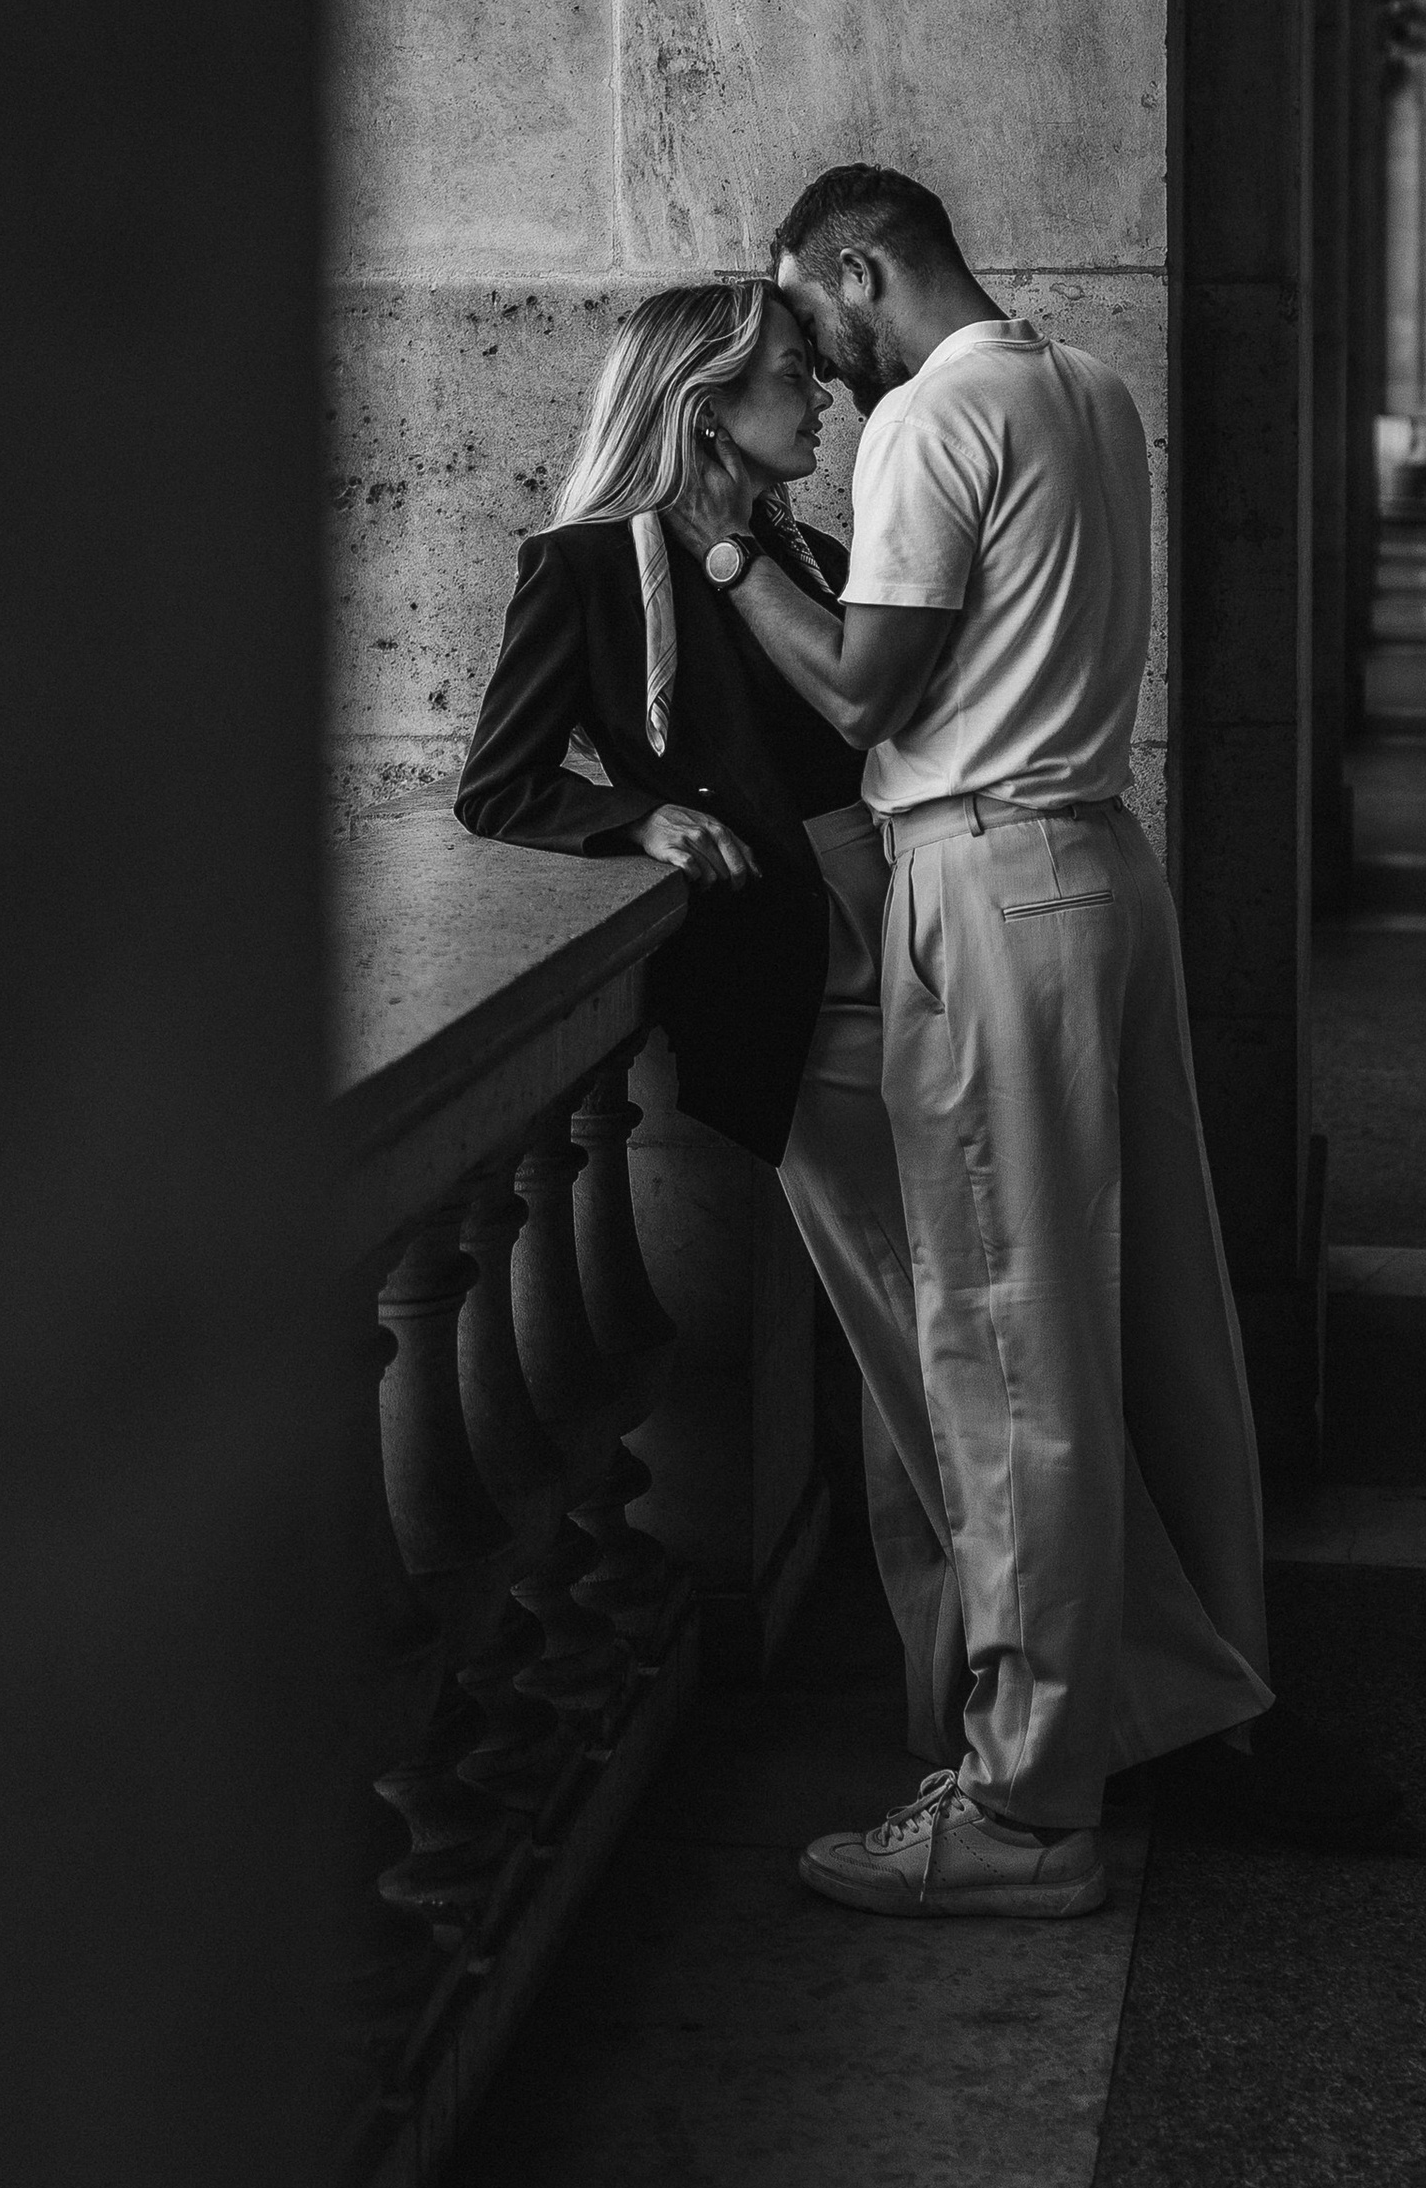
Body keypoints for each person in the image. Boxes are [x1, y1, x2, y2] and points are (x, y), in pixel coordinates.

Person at [669, 165, 1276, 1920]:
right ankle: (1184, 1693)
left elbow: (866, 693)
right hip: (1101, 865)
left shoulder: (933, 418)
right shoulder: (1089, 387)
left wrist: (713, 545)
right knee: (1151, 1327)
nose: (810, 353)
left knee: (1006, 1355)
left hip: (989, 880)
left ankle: (1025, 1808)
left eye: (813, 307)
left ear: (865, 264)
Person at [449, 279, 955, 1731]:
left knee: (943, 1337)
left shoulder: (809, 547)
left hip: (918, 940)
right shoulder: (589, 566)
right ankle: (989, 1707)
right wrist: (641, 821)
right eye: (793, 375)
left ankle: (971, 1695)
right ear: (702, 405)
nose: (823, 396)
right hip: (806, 977)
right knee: (922, 1341)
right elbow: (500, 781)